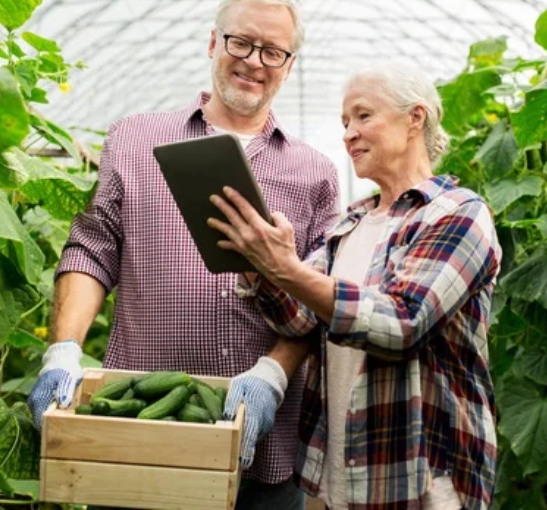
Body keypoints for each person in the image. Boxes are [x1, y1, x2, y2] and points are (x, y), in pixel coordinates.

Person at [26, 1, 340, 508]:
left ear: (289, 65)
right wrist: (62, 351)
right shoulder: (134, 139)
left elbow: (322, 300)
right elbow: (92, 247)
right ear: (213, 42)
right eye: (241, 42)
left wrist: (273, 376)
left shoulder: (315, 172)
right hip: (138, 432)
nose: (254, 61)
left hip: (265, 449)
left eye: (273, 51)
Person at [209, 63, 500, 509]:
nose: (348, 134)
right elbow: (298, 317)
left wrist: (286, 267)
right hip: (337, 477)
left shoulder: (457, 214)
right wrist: (256, 262)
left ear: (414, 118)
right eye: (345, 122)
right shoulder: (349, 224)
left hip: (419, 481)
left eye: (363, 116)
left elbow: (401, 324)